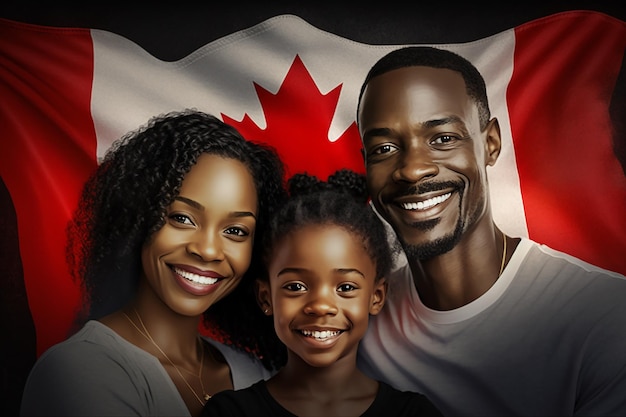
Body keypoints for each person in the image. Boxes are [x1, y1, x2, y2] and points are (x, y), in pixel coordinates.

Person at [354, 45, 626, 416]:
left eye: (443, 139)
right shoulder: (352, 319)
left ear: (491, 143)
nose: (413, 169)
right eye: (384, 147)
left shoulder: (606, 317)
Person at [20, 109, 288, 417]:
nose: (208, 250)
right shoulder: (76, 370)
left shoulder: (257, 372)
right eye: (182, 218)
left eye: (235, 231)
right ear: (138, 218)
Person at [201, 169, 443, 417]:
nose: (320, 306)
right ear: (266, 297)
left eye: (345, 288)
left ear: (376, 297)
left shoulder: (412, 413)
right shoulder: (230, 413)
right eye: (296, 287)